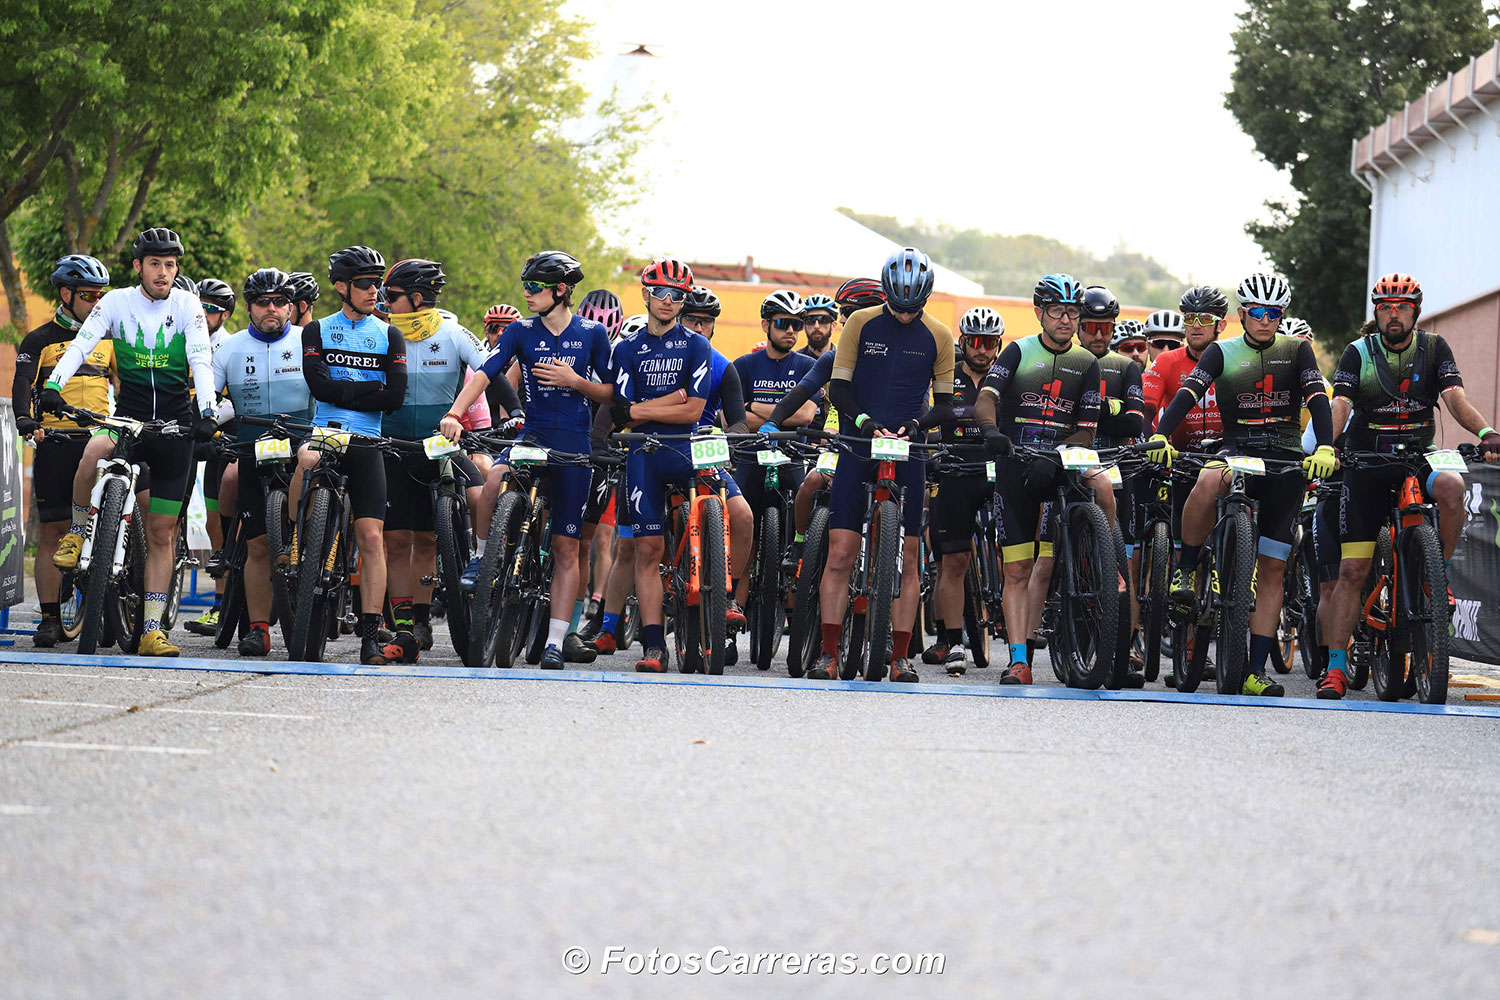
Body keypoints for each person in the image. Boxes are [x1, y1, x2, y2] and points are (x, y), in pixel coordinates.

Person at [1146, 273, 1333, 698]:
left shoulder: (1296, 350)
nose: (1265, 320)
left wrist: (1325, 446)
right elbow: (1188, 394)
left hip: (1284, 456)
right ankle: (1186, 570)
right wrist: (1160, 434)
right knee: (1210, 478)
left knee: (1273, 568)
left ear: (1280, 316)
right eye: (1257, 312)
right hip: (1238, 449)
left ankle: (1255, 670)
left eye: (1273, 313)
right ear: (1243, 314)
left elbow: (1317, 398)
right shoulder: (1221, 351)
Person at [1316, 273, 1500, 698]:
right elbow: (1340, 403)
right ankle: (1336, 667)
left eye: (1401, 307)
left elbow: (1454, 399)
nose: (1393, 314)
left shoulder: (1434, 348)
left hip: (1417, 456)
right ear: (1377, 313)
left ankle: (1437, 574)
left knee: (1451, 486)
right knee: (1352, 571)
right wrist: (1328, 445)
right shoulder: (1358, 352)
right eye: (1385, 307)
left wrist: (1487, 432)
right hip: (1366, 461)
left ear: (1415, 312)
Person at [41, 228, 217, 657]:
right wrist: (53, 385)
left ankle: (152, 629)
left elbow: (200, 357)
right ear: (138, 266)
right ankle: (79, 532)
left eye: (170, 265)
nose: (164, 272)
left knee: (161, 533)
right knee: (93, 452)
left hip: (175, 427)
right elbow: (82, 344)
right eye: (155, 264)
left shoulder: (187, 304)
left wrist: (208, 411)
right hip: (128, 419)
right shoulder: (117, 302)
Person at [442, 251, 614, 669]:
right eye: (525, 286)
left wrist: (576, 381)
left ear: (561, 291)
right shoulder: (521, 331)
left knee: (566, 548)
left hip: (574, 444)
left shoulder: (592, 334)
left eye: (535, 287)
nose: (527, 293)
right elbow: (486, 373)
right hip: (533, 435)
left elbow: (613, 393)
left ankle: (554, 641)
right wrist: (455, 414)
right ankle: (482, 558)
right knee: (493, 480)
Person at [810, 248, 955, 684]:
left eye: (913, 308)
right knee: (840, 553)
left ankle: (900, 657)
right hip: (860, 440)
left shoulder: (939, 335)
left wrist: (916, 426)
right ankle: (829, 653)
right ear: (886, 295)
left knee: (909, 558)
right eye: (897, 306)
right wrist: (865, 423)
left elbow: (944, 405)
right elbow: (839, 390)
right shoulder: (861, 322)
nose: (905, 315)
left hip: (908, 445)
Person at [974, 273, 1104, 685]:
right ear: (1039, 313)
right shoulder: (1018, 351)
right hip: (1016, 466)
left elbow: (1087, 429)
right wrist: (991, 430)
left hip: (1058, 470)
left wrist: (1057, 453)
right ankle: (1019, 661)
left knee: (1044, 568)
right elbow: (986, 397)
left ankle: (1104, 568)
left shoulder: (1087, 363)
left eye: (1072, 312)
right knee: (1017, 569)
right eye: (1057, 311)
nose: (1066, 320)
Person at [609, 258, 725, 673]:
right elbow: (621, 413)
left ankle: (718, 596)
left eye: (677, 295)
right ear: (645, 293)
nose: (668, 301)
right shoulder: (626, 349)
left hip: (683, 448)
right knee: (648, 550)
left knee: (721, 512)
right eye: (660, 292)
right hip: (643, 455)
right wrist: (666, 401)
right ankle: (655, 646)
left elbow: (693, 410)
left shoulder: (697, 345)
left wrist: (642, 408)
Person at [297, 244, 408, 665]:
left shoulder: (389, 334)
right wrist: (371, 389)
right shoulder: (316, 331)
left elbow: (394, 397)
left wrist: (345, 391)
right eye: (364, 284)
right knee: (305, 460)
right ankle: (297, 545)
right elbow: (319, 388)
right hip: (325, 432)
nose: (373, 291)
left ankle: (369, 636)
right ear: (341, 286)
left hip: (367, 440)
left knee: (372, 538)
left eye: (377, 284)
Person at [370, 258, 487, 658]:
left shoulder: (454, 332)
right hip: (393, 447)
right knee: (397, 540)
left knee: (462, 509)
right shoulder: (382, 333)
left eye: (392, 296)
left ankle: (477, 565)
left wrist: (516, 411)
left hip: (439, 446)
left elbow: (491, 370)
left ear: (416, 299)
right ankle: (407, 626)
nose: (385, 303)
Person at [12, 255, 114, 647]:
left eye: (100, 295)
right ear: (66, 294)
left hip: (99, 440)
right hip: (56, 440)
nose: (96, 302)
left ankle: (114, 604)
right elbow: (23, 383)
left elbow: (126, 385)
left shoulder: (110, 338)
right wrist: (25, 419)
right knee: (54, 531)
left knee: (108, 524)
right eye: (88, 295)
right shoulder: (39, 339)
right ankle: (50, 618)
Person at [212, 268, 314, 655]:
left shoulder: (309, 340)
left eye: (279, 302)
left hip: (302, 447)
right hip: (252, 448)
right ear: (248, 308)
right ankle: (258, 629)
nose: (271, 308)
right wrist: (203, 425)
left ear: (291, 307)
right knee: (257, 547)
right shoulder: (230, 348)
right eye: (261, 302)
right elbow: (210, 399)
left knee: (308, 533)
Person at [920, 306, 1002, 675]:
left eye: (989, 343)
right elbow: (926, 415)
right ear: (964, 342)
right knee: (951, 562)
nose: (982, 349)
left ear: (998, 345)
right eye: (975, 342)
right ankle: (952, 642)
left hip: (994, 466)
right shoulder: (945, 375)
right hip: (953, 467)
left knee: (1017, 556)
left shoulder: (1006, 376)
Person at [729, 290, 818, 627]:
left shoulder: (808, 366)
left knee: (802, 537)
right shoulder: (743, 365)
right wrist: (781, 415)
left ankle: (796, 611)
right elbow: (732, 419)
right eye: (783, 323)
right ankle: (733, 609)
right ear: (766, 325)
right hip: (750, 457)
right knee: (743, 534)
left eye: (797, 324)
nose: (791, 331)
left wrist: (754, 407)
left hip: (793, 457)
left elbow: (806, 414)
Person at [1076, 285, 1147, 686]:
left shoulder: (1125, 367)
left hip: (1118, 470)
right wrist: (1111, 408)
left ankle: (1126, 646)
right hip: (1074, 466)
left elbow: (1134, 421)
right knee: (1048, 558)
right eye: (1091, 327)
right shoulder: (1068, 361)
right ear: (1079, 326)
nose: (1099, 335)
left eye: (1106, 328)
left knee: (1126, 565)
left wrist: (1091, 410)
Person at [184, 276, 240, 637]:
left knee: (220, 521)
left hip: (222, 436)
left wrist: (207, 423)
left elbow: (235, 398)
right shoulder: (183, 339)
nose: (203, 314)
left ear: (225, 315)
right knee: (203, 523)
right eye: (199, 307)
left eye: (211, 309)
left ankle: (225, 604)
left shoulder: (230, 347)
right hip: (189, 432)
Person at [800, 293, 838, 359]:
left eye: (823, 320)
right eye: (810, 320)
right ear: (803, 326)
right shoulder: (795, 361)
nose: (816, 326)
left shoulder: (844, 359)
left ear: (833, 326)